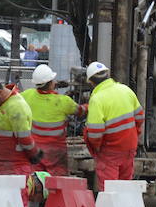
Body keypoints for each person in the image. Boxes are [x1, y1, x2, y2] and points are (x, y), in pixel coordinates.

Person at [82, 61, 143, 191]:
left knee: (109, 192)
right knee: (125, 188)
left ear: (91, 82)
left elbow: (94, 133)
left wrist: (98, 149)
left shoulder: (97, 99)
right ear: (108, 74)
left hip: (110, 151)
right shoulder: (126, 90)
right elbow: (140, 117)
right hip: (129, 147)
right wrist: (133, 135)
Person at [21, 64, 80, 175]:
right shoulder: (63, 101)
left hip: (35, 150)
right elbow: (79, 111)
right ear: (51, 83)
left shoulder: (27, 95)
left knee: (37, 181)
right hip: (56, 152)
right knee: (57, 183)